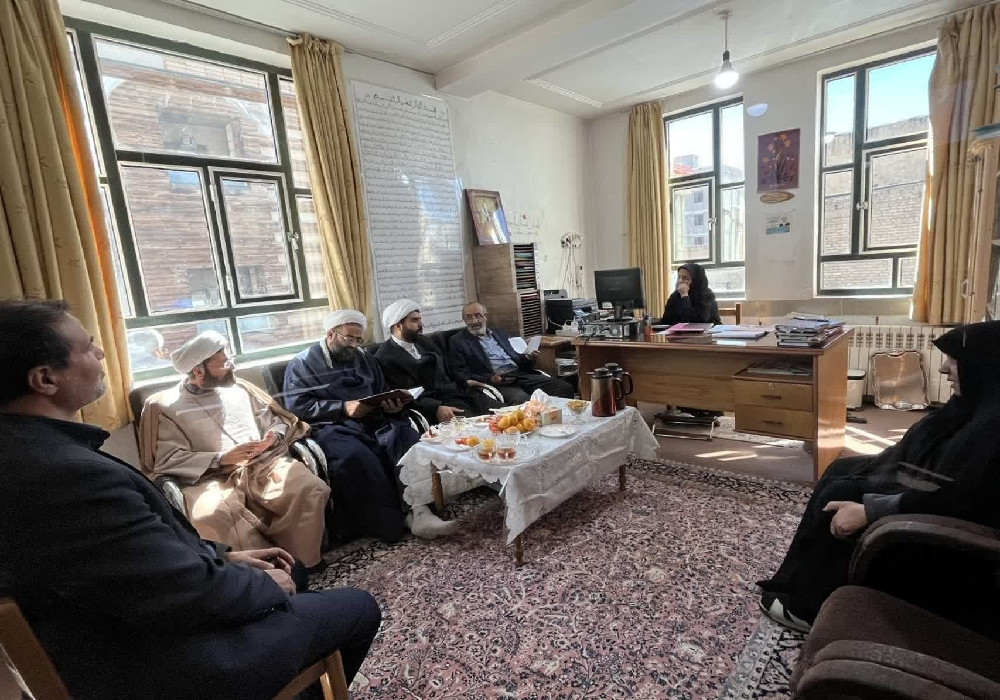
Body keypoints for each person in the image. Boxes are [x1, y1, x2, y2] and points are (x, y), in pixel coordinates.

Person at [0, 299, 380, 700]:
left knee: (295, 562)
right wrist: (260, 585)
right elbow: (183, 591)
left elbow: (126, 560)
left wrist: (224, 557)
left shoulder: (28, 449)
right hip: (163, 659)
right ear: (45, 379)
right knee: (356, 606)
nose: (101, 352)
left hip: (144, 613)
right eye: (87, 346)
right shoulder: (71, 474)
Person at [757, 320, 1000, 632]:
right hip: (929, 492)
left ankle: (809, 606)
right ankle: (794, 581)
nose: (943, 369)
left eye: (954, 361)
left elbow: (956, 499)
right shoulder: (981, 405)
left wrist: (870, 510)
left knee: (839, 492)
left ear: (984, 367)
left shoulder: (992, 433)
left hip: (938, 541)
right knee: (840, 469)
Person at [139, 331, 330, 569]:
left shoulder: (239, 388)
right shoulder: (164, 405)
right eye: (224, 363)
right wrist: (221, 459)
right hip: (211, 477)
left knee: (310, 488)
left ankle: (303, 563)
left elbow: (276, 421)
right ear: (198, 371)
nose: (232, 366)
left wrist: (273, 436)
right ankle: (257, 576)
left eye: (230, 359)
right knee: (212, 515)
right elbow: (167, 458)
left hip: (264, 465)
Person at [283, 309, 458, 542]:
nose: (354, 345)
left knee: (407, 439)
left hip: (375, 419)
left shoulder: (365, 358)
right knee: (357, 456)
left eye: (359, 340)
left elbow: (381, 389)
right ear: (331, 334)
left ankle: (421, 511)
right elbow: (298, 407)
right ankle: (394, 522)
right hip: (333, 426)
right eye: (349, 338)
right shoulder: (303, 363)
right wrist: (343, 407)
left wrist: (391, 405)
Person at [374, 299, 502, 424]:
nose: (421, 324)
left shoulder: (423, 341)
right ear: (398, 326)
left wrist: (464, 382)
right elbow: (405, 395)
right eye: (414, 320)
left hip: (457, 393)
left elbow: (447, 369)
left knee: (503, 415)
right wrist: (436, 408)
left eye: (420, 319)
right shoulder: (386, 357)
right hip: (434, 405)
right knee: (479, 427)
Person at [449, 302, 575, 405]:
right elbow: (461, 374)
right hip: (498, 381)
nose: (474, 321)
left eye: (478, 316)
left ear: (485, 316)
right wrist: (490, 379)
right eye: (469, 317)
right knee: (522, 400)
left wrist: (528, 357)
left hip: (520, 374)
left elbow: (517, 359)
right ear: (464, 320)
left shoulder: (499, 333)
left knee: (564, 387)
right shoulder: (458, 341)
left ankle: (555, 422)